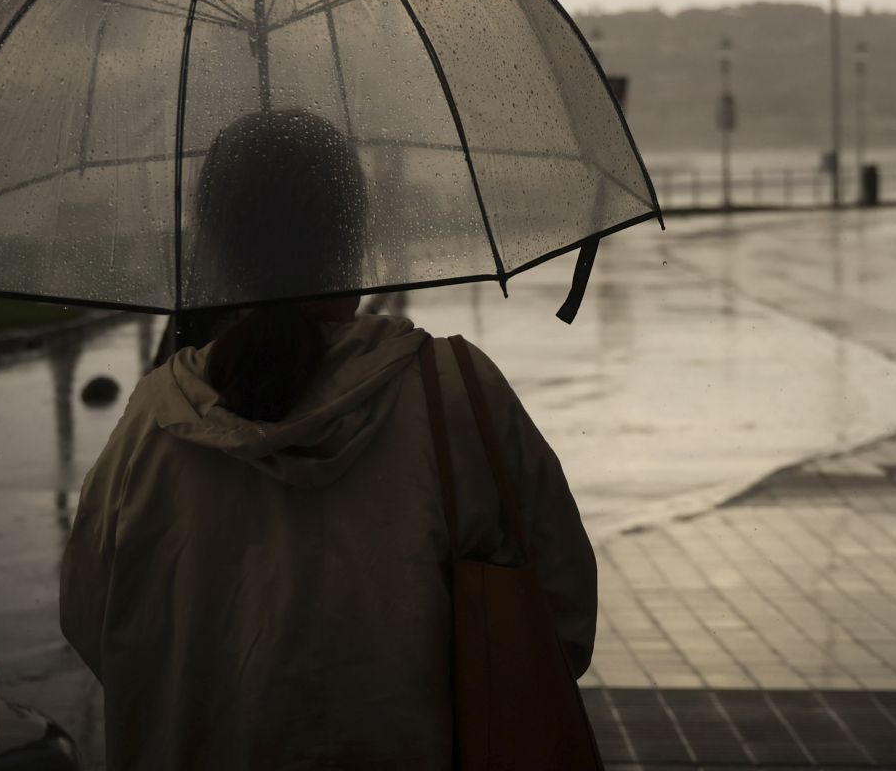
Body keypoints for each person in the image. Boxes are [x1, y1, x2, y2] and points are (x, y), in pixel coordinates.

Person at [61, 109, 597, 769]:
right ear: (356, 234)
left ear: (215, 248)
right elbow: (562, 619)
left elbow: (92, 623)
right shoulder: (457, 393)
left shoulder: (154, 420)